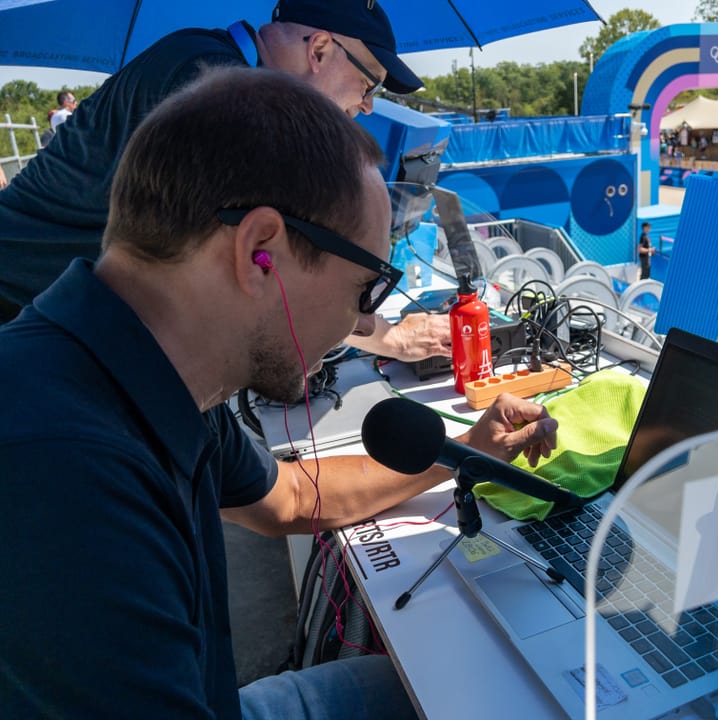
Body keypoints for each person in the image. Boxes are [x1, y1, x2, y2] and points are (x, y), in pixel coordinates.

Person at [0, 66, 559, 719]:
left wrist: (464, 449)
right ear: (260, 250)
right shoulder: (61, 469)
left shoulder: (138, 364)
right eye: (366, 289)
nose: (359, 322)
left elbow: (288, 497)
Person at [0, 0, 449, 363]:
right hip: (20, 316)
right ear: (319, 50)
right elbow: (240, 271)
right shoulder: (215, 84)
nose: (368, 106)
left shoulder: (215, 65)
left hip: (67, 316)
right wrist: (387, 339)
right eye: (370, 85)